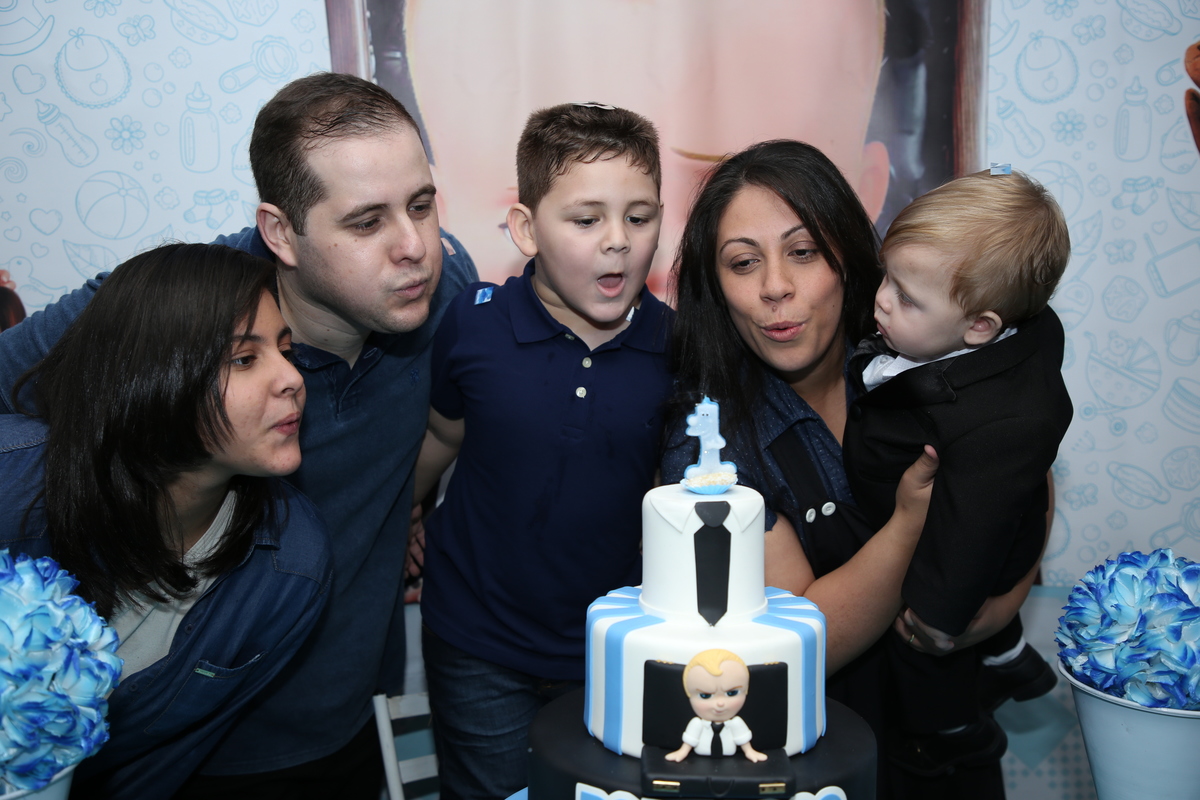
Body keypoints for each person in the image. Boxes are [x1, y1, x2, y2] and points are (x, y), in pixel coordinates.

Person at [0, 73, 478, 798]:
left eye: (421, 204)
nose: (415, 246)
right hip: (175, 738)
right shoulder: (177, 315)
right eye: (365, 222)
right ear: (281, 232)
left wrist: (411, 499)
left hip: (346, 717)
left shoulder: (442, 292)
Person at [661, 139, 1032, 799]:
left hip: (952, 752)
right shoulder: (710, 443)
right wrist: (913, 519)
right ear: (716, 287)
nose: (776, 286)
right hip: (812, 767)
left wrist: (990, 614)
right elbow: (801, 643)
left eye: (803, 252)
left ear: (849, 256)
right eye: (744, 262)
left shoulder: (923, 351)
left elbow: (1025, 468)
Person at [0, 243, 331, 799]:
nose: (292, 378)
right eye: (244, 359)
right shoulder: (12, 481)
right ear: (152, 374)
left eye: (284, 349)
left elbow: (160, 762)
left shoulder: (293, 567)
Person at [412, 102, 674, 800]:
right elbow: (442, 434)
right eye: (586, 220)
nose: (617, 242)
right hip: (477, 641)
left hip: (616, 649)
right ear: (527, 229)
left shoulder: (678, 348)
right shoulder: (473, 326)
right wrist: (407, 513)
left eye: (640, 217)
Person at [842, 169, 1072, 775]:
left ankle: (955, 730)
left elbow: (975, 532)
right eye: (887, 278)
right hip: (961, 511)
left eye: (907, 298)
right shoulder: (954, 334)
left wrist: (940, 618)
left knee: (922, 653)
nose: (882, 300)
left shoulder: (1004, 421)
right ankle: (1010, 657)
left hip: (959, 551)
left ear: (980, 327)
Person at [403, 0, 890, 285]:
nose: (637, 249)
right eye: (583, 218)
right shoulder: (474, 355)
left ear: (859, 200)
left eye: (717, 208)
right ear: (435, 215)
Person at [665, 650, 768, 763]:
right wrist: (682, 752)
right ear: (689, 694)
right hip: (700, 763)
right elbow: (690, 740)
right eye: (705, 695)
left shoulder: (736, 723)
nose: (720, 703)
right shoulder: (697, 723)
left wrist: (749, 752)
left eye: (732, 693)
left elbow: (743, 739)